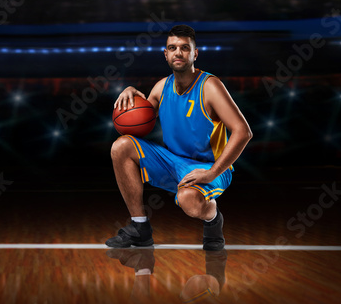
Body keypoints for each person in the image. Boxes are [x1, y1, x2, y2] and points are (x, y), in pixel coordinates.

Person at [106, 24, 252, 250]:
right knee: (121, 146)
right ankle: (139, 227)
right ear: (165, 54)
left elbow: (243, 132)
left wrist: (213, 172)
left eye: (185, 48)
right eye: (172, 48)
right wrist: (130, 90)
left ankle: (213, 219)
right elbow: (138, 121)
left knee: (189, 202)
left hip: (209, 166)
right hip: (172, 161)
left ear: (195, 53)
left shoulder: (210, 86)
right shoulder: (161, 87)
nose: (178, 53)